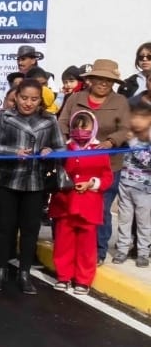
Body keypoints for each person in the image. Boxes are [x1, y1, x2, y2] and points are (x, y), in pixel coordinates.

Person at [0, 80, 64, 295]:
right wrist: (14, 152)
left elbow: (61, 148)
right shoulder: (3, 117)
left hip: (35, 182)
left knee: (30, 230)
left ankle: (24, 273)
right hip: (5, 181)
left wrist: (50, 151)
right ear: (16, 96)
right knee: (5, 228)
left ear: (40, 101)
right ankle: (0, 270)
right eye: (24, 98)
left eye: (34, 99)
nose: (28, 103)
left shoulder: (49, 121)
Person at [58, 59, 131, 264]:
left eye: (108, 80)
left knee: (100, 207)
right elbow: (62, 122)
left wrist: (110, 142)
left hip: (106, 164)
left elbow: (125, 129)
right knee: (70, 207)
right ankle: (70, 248)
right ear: (90, 79)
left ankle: (98, 251)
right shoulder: (75, 98)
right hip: (74, 163)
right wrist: (66, 141)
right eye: (99, 78)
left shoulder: (120, 102)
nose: (103, 83)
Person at [49, 111, 114, 295]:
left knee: (86, 246)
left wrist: (91, 183)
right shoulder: (63, 149)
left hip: (89, 204)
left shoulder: (100, 151)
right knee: (63, 242)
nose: (79, 131)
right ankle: (63, 276)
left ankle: (83, 280)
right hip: (65, 203)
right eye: (75, 126)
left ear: (93, 128)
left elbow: (107, 177)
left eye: (84, 127)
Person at [112, 101, 151, 268]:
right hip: (125, 184)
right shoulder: (129, 136)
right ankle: (122, 248)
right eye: (134, 116)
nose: (136, 120)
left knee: (143, 223)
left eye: (141, 117)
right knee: (124, 220)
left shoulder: (145, 140)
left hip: (144, 189)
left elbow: (148, 162)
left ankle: (143, 252)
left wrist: (134, 144)